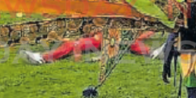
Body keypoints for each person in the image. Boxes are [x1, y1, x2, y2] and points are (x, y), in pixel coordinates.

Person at [22, 32, 159, 65]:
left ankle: (153, 53)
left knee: (130, 40)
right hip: (99, 36)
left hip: (107, 36)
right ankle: (42, 57)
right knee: (73, 44)